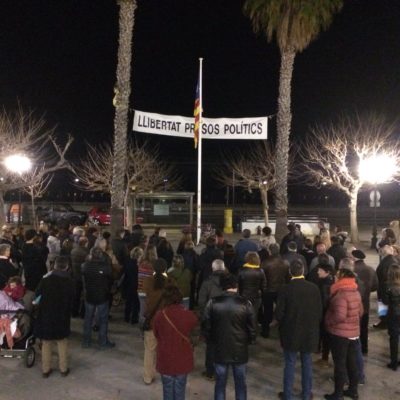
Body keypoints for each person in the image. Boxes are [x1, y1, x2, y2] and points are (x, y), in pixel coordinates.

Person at [202, 274, 256, 400]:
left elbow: (206, 324)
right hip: (240, 349)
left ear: (223, 287)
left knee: (220, 384)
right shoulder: (246, 303)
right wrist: (250, 340)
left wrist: (210, 340)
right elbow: (252, 327)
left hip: (220, 348)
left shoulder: (213, 302)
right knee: (240, 383)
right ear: (236, 286)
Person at [275, 260, 322, 400]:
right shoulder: (314, 288)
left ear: (290, 272)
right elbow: (319, 312)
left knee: (289, 363)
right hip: (309, 333)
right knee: (307, 363)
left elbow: (279, 314)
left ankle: (288, 395)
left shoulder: (285, 289)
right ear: (303, 271)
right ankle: (306, 394)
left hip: (290, 332)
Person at [324, 268, 364, 400]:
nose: (334, 278)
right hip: (353, 333)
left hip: (340, 335)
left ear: (341, 278)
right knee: (352, 363)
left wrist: (328, 321)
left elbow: (340, 316)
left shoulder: (341, 295)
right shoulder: (355, 292)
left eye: (337, 276)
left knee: (340, 365)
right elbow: (360, 312)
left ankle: (338, 394)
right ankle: (353, 390)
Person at [153, 285, 198, 400]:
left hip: (165, 359)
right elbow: (195, 329)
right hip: (182, 359)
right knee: (180, 390)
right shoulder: (188, 315)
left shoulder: (160, 315)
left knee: (167, 389)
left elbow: (156, 334)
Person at [34, 256, 74, 378]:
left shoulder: (46, 279)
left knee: (46, 343)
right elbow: (73, 300)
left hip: (47, 315)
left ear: (55, 265)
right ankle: (63, 369)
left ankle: (45, 370)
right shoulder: (70, 281)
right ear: (67, 267)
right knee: (62, 342)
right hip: (62, 316)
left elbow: (37, 294)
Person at [142, 258, 175, 385]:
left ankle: (148, 376)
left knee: (149, 350)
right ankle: (166, 374)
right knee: (165, 349)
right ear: (166, 268)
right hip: (166, 320)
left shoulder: (148, 281)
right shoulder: (171, 282)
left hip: (152, 320)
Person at [198, 259, 227, 380]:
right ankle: (222, 371)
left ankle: (210, 371)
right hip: (227, 318)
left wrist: (204, 317)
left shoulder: (207, 283)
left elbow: (201, 302)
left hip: (211, 318)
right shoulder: (230, 281)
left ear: (213, 268)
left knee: (211, 346)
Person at [81, 246, 114, 349]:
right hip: (102, 296)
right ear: (101, 255)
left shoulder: (85, 266)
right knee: (103, 320)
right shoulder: (106, 267)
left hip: (89, 295)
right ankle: (103, 342)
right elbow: (111, 279)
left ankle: (86, 341)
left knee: (88, 319)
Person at [352, 249, 378, 354]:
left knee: (354, 328)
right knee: (364, 327)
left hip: (354, 304)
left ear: (354, 258)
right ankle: (364, 348)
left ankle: (355, 350)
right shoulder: (370, 270)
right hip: (366, 303)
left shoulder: (352, 270)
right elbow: (375, 286)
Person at [260, 243, 289, 338]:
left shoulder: (265, 263)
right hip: (281, 290)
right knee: (282, 311)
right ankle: (283, 331)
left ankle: (265, 332)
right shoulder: (285, 262)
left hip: (268, 290)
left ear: (270, 251)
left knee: (267, 312)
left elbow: (262, 277)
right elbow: (287, 277)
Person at [382, 263, 400, 370]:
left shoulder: (387, 286)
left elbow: (384, 302)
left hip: (393, 314)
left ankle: (394, 362)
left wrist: (382, 316)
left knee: (394, 338)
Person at [238, 251, 266, 317]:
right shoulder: (260, 271)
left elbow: (239, 285)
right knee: (254, 314)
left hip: (244, 296)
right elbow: (263, 285)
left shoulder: (242, 270)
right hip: (256, 296)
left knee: (244, 315)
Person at [70, 236, 89, 318]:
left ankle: (74, 312)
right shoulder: (86, 252)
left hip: (75, 275)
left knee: (76, 295)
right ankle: (83, 313)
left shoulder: (73, 251)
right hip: (83, 276)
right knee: (84, 296)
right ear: (85, 243)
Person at [123, 247, 143, 324]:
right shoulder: (138, 265)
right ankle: (134, 319)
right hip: (136, 285)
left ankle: (126, 317)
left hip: (128, 284)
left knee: (128, 302)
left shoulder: (128, 262)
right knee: (136, 303)